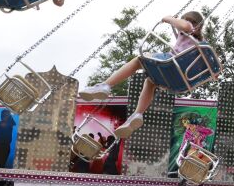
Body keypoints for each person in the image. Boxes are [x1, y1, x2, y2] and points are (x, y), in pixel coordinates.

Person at [79, 11, 205, 139]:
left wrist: (168, 18)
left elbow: (186, 26)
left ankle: (106, 85)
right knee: (150, 82)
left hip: (170, 64)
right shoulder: (201, 46)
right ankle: (137, 114)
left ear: (194, 23)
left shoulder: (188, 27)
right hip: (180, 80)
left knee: (138, 60)